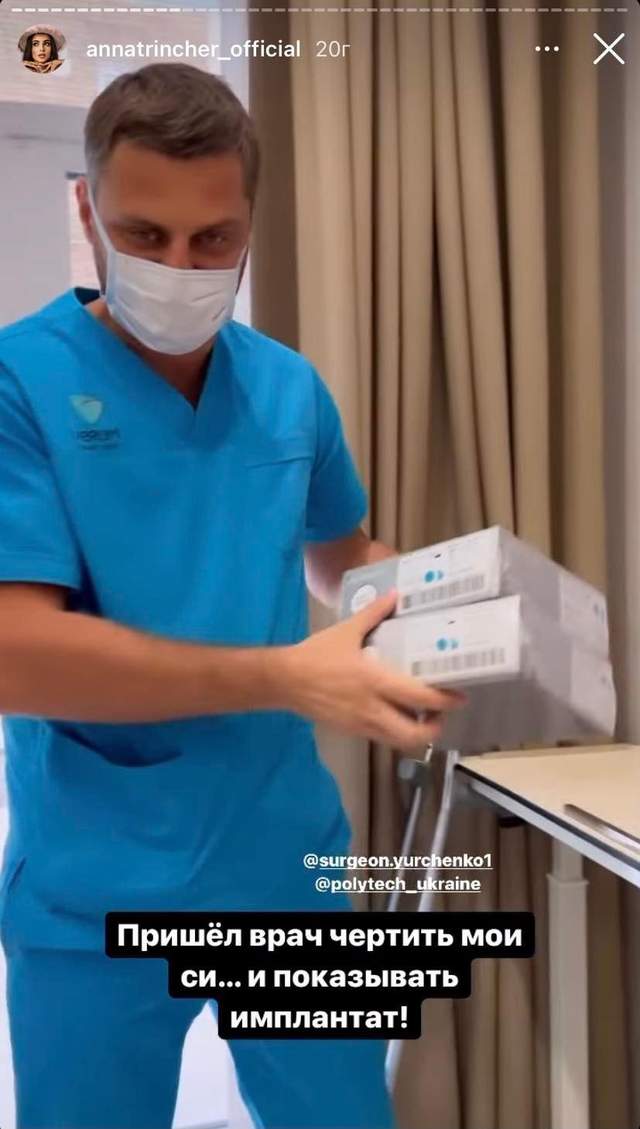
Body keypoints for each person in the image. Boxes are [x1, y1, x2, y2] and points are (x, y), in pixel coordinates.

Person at [0, 63, 465, 1129]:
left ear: (251, 226)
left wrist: (452, 613)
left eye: (213, 239)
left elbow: (341, 557)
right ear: (88, 212)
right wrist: (287, 677)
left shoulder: (287, 387)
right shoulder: (17, 383)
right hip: (93, 885)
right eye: (144, 234)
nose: (179, 267)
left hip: (279, 856)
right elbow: (15, 652)